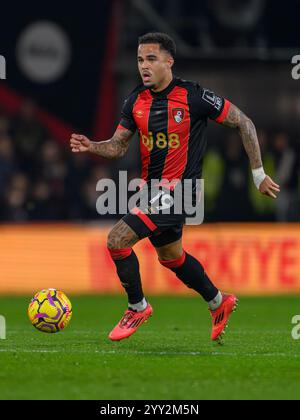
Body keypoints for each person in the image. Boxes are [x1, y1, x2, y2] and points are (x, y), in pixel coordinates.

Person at [70, 32, 280, 344]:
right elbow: (116, 147)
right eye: (140, 59)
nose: (144, 66)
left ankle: (137, 306)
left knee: (117, 240)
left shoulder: (193, 97)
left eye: (151, 59)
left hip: (180, 192)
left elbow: (243, 122)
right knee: (171, 257)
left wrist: (258, 173)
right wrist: (92, 146)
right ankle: (217, 301)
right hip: (152, 192)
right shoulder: (135, 101)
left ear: (169, 61)